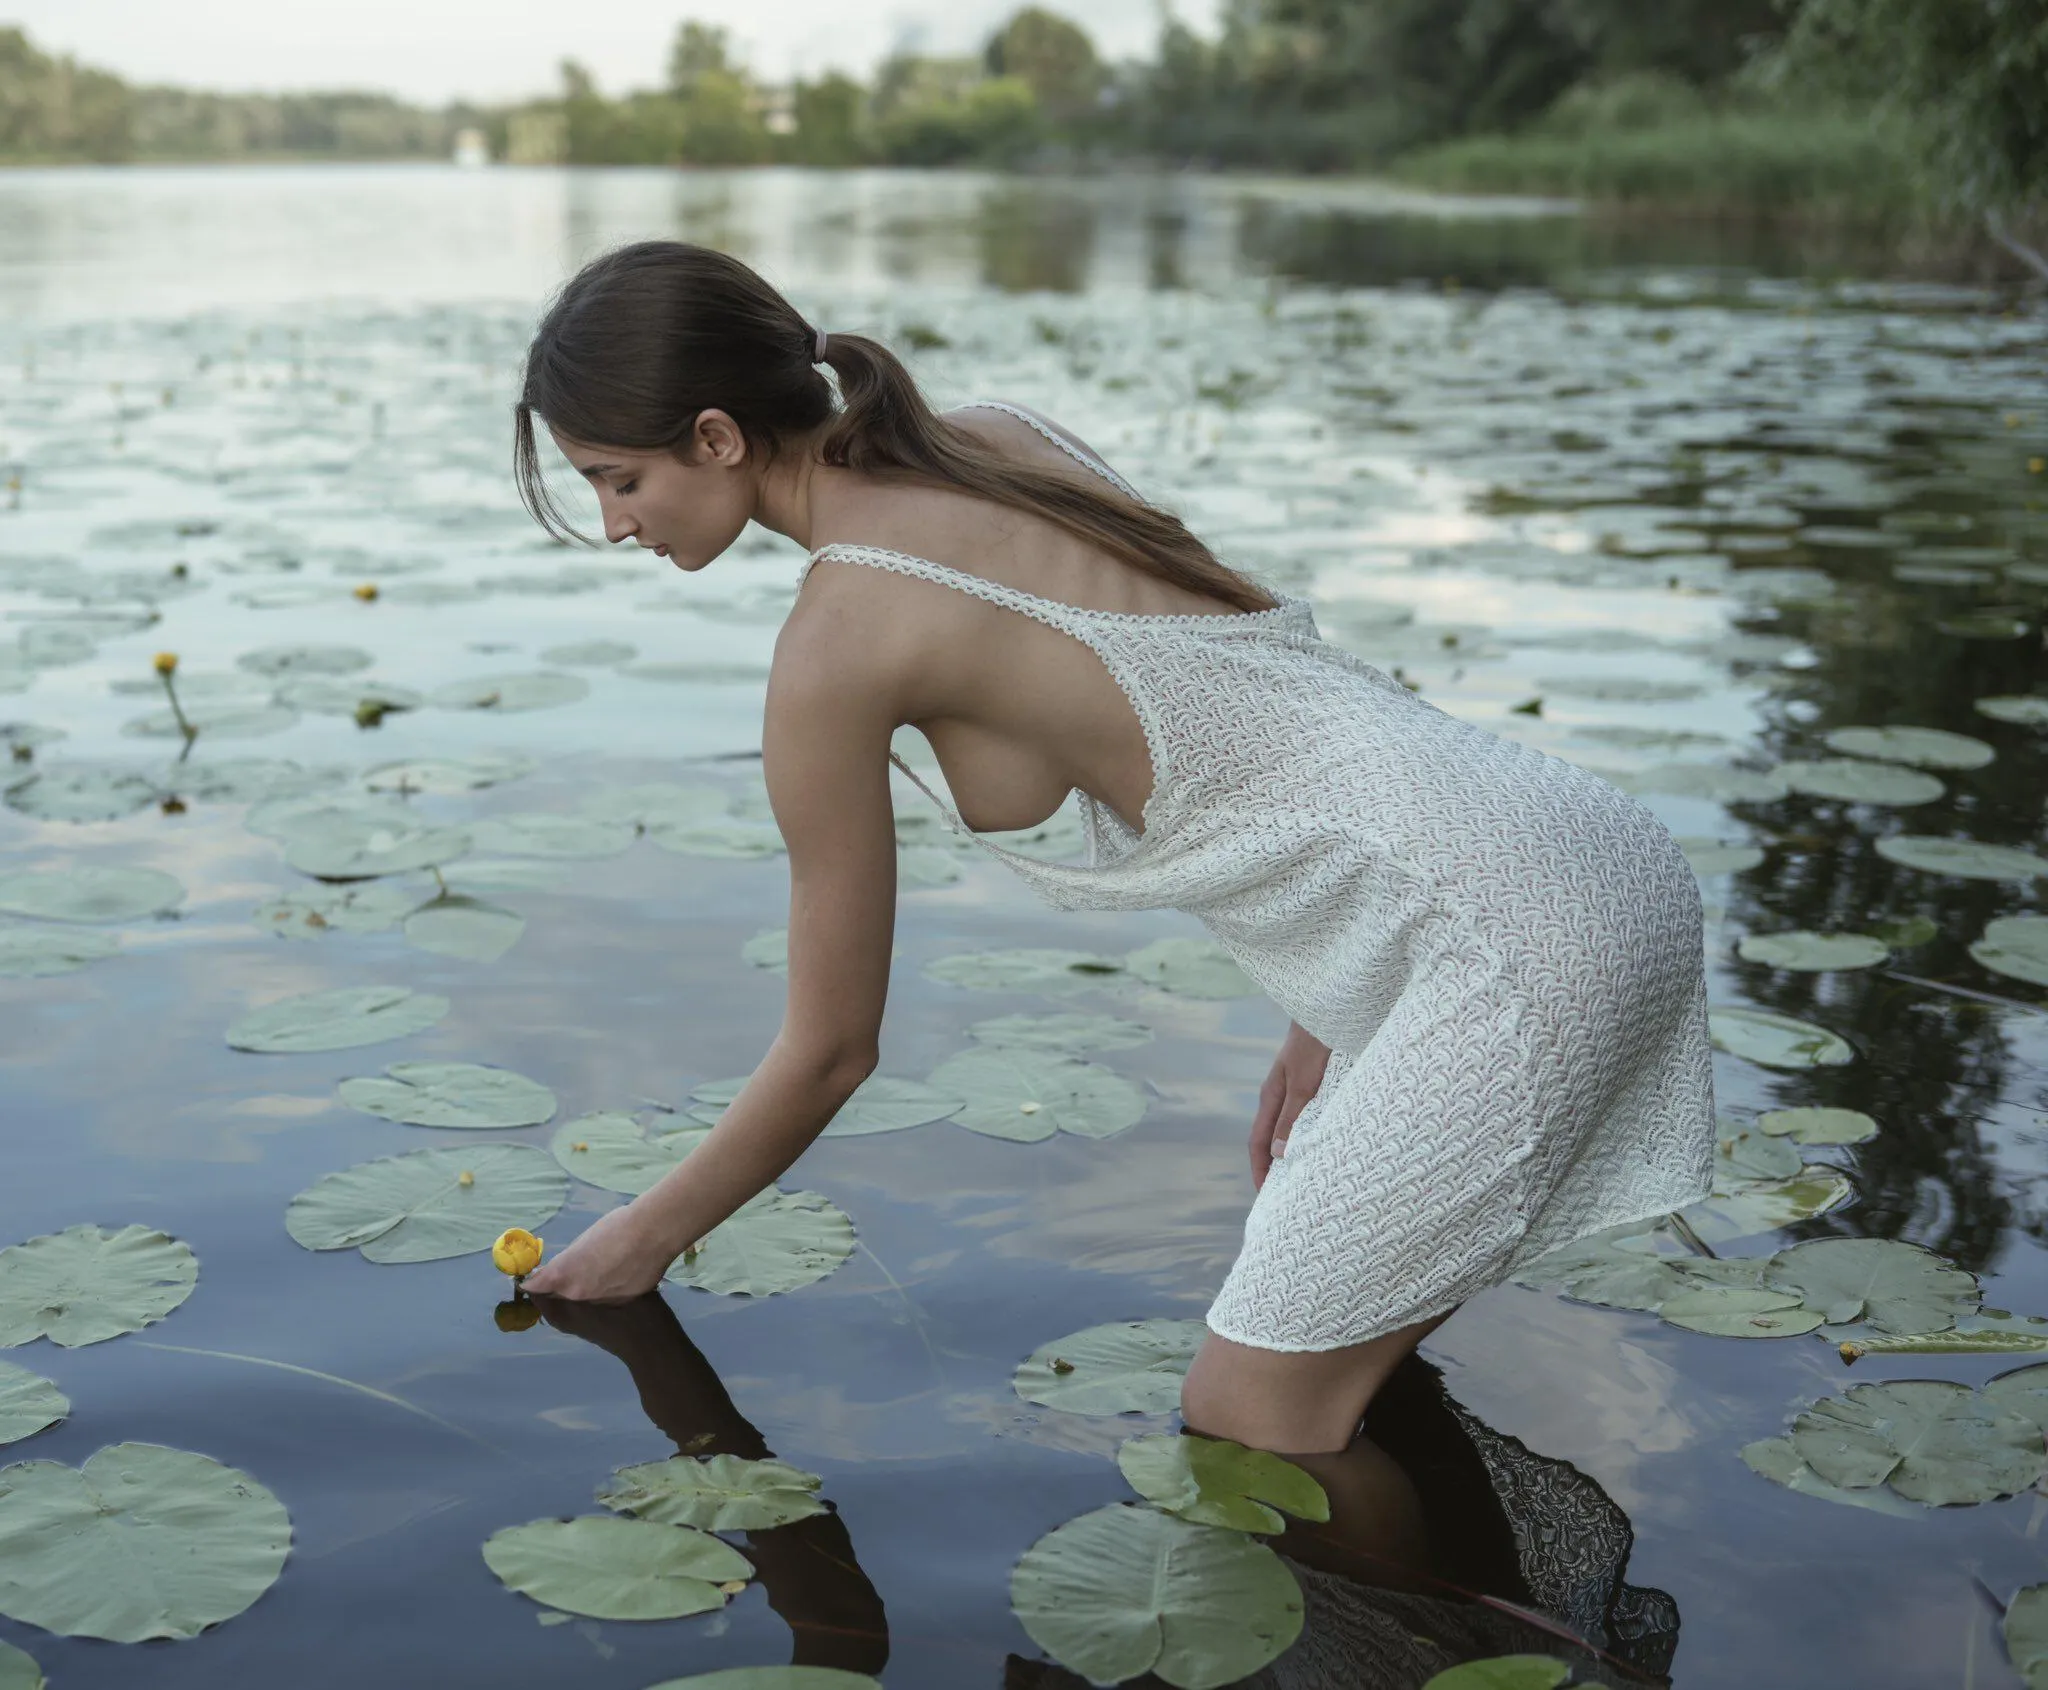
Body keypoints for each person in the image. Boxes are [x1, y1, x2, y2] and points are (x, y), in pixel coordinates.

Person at [512, 239, 1716, 1459]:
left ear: (716, 437)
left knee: (1247, 1419)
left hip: (1509, 942)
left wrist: (639, 1240)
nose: (615, 525)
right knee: (1338, 1372)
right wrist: (1335, 1000)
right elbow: (1275, 676)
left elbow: (830, 1049)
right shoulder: (996, 436)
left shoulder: (834, 646)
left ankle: (1444, 1641)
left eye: (617, 481)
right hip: (1573, 839)